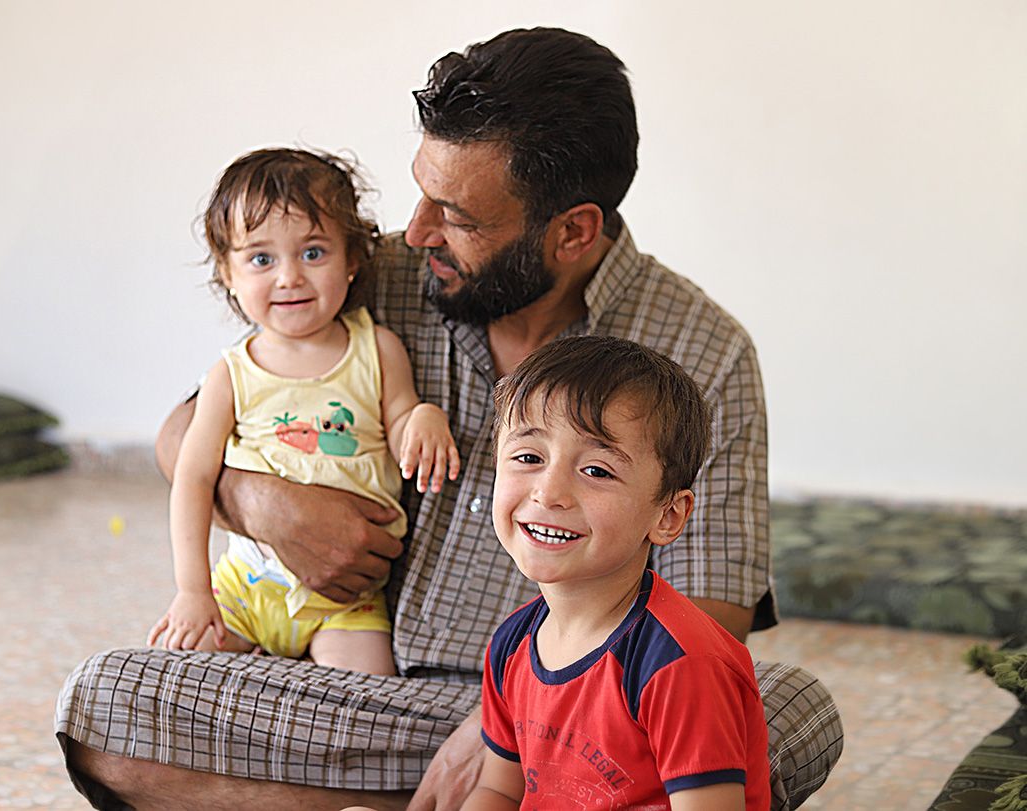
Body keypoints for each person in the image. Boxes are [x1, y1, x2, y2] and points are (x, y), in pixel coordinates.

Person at [56, 27, 842, 811]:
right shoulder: (372, 275)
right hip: (357, 690)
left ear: (573, 231)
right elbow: (180, 433)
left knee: (787, 706)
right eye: (422, 190)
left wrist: (507, 723)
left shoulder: (702, 348)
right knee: (107, 701)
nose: (419, 227)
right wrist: (268, 504)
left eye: (457, 213)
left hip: (576, 716)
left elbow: (715, 608)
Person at [145, 148, 459, 673]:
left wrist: (424, 417)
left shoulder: (377, 350)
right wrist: (192, 591)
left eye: (313, 253)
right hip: (244, 590)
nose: (289, 277)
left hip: (347, 605)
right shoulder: (232, 373)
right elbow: (194, 479)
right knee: (168, 681)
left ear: (352, 260)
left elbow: (402, 422)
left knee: (367, 705)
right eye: (261, 259)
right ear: (228, 272)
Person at [467, 336, 769, 810]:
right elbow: (498, 791)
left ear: (667, 516)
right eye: (529, 458)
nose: (550, 493)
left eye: (597, 470)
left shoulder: (678, 664)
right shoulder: (512, 644)